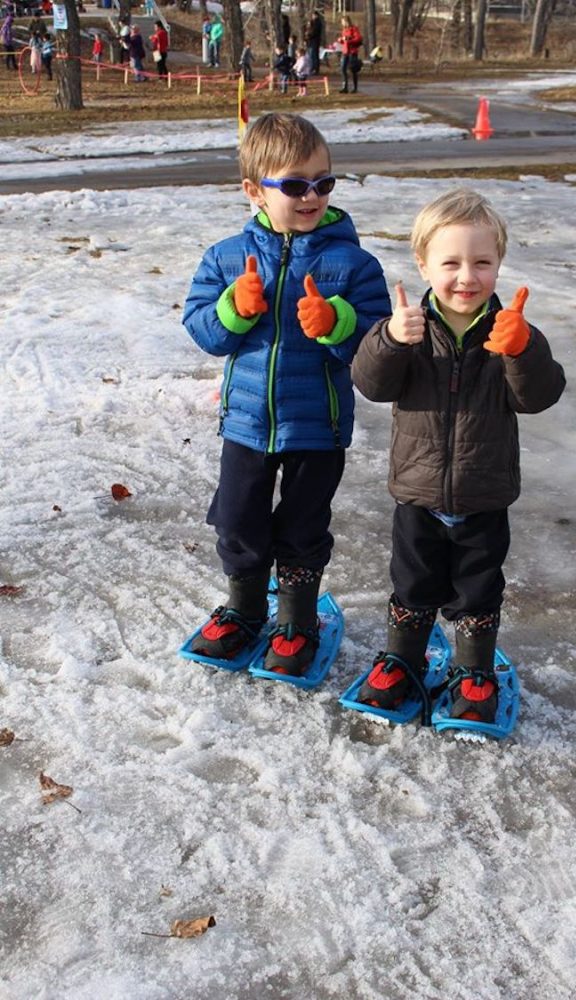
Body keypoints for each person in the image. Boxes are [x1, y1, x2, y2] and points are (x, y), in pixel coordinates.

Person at [182, 113, 391, 677]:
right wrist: (234, 308)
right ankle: (246, 607)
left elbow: (376, 344)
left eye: (324, 182)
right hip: (246, 422)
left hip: (316, 428)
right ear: (254, 191)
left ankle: (297, 618)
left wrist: (336, 321)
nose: (312, 195)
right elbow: (203, 329)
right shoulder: (226, 257)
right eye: (295, 184)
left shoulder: (353, 264)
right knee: (237, 518)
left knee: (302, 526)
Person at [351, 188, 566, 722]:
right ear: (423, 263)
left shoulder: (508, 332)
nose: (466, 277)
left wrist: (523, 350)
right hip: (417, 491)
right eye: (450, 262)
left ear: (499, 265)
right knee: (413, 581)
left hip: (484, 493)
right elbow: (371, 385)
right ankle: (402, 659)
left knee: (478, 587)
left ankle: (473, 668)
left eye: (482, 262)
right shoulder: (409, 329)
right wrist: (390, 340)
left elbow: (538, 396)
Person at [337, 15, 362, 93]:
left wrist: (349, 40)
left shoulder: (354, 29)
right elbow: (343, 40)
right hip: (345, 51)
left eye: (343, 22)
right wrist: (341, 40)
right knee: (343, 68)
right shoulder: (344, 30)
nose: (342, 23)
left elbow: (358, 38)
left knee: (353, 69)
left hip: (352, 51)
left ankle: (355, 88)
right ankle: (345, 87)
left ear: (346, 21)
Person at [304, 10, 323, 75]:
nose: (312, 17)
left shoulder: (317, 23)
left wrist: (309, 35)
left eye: (313, 15)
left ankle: (315, 69)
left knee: (314, 55)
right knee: (310, 55)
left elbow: (314, 32)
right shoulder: (312, 22)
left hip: (314, 41)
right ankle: (311, 68)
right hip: (310, 41)